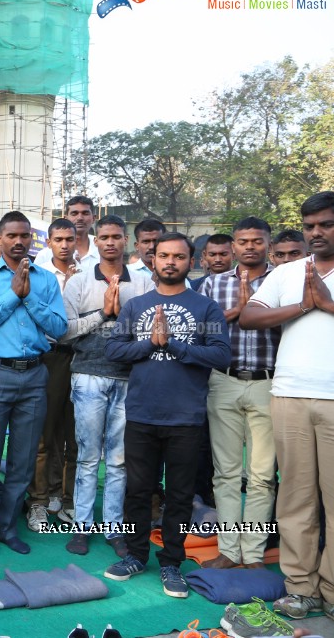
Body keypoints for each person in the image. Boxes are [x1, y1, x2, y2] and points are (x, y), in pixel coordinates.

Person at [104, 232, 230, 599]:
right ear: (152, 260)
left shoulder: (206, 309)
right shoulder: (136, 304)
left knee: (179, 494)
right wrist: (150, 343)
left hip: (185, 417)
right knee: (138, 490)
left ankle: (172, 561)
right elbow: (115, 348)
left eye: (178, 256)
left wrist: (173, 343)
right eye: (163, 256)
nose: (170, 262)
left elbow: (221, 356)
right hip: (143, 413)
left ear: (191, 261)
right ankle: (136, 555)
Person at [241, 192, 334, 620]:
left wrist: (329, 306)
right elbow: (249, 316)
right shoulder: (289, 271)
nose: (317, 233)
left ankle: (331, 592)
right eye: (310, 225)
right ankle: (301, 588)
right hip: (290, 395)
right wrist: (302, 305)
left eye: (326, 225)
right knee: (295, 497)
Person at [0, 211, 66, 556]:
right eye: (12, 235)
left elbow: (58, 327)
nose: (20, 241)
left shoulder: (46, 280)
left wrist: (28, 296)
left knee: (22, 460)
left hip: (35, 374)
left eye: (25, 235)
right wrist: (12, 295)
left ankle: (8, 527)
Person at [60, 215, 154, 557]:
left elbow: (150, 331)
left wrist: (122, 317)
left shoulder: (143, 283)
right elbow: (64, 331)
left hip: (129, 378)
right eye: (105, 237)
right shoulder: (79, 281)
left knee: (118, 460)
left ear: (126, 240)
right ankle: (82, 526)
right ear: (95, 241)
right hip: (88, 375)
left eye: (117, 236)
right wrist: (103, 314)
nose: (111, 242)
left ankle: (114, 528)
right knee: (86, 456)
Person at [198, 217, 279, 570]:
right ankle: (229, 551)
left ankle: (255, 553)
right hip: (224, 381)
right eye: (243, 241)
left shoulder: (283, 280)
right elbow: (197, 330)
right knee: (226, 472)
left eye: (256, 241)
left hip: (269, 382)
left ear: (267, 243)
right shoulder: (213, 285)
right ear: (233, 246)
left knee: (261, 475)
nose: (249, 247)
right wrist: (238, 313)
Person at [27, 218, 81, 532]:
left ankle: (69, 498)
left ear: (77, 240)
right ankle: (40, 498)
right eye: (58, 239)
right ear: (48, 242)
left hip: (80, 355)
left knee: (74, 435)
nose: (64, 244)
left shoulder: (88, 272)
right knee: (46, 434)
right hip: (48, 356)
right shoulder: (39, 273)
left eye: (69, 239)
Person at [34, 195, 100, 269]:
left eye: (85, 213)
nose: (80, 218)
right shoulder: (45, 255)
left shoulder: (103, 250)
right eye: (74, 213)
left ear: (94, 218)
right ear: (66, 218)